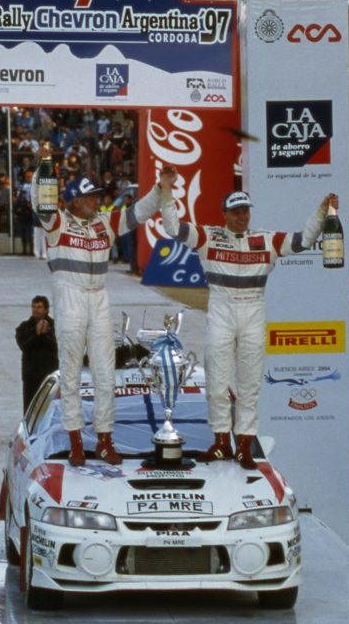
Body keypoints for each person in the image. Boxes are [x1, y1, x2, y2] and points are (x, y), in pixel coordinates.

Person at [164, 186, 333, 465]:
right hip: (221, 311)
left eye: (245, 211)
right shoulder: (208, 236)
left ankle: (244, 444)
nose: (242, 217)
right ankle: (221, 442)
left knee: (249, 383)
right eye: (236, 212)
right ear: (224, 214)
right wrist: (166, 194)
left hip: (253, 310)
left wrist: (321, 212)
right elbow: (172, 228)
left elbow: (304, 240)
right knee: (217, 381)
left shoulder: (267, 240)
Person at [42, 169, 172, 466]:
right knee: (71, 373)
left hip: (99, 297)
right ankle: (75, 442)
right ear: (74, 201)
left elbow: (139, 213)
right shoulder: (57, 223)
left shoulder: (104, 223)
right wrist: (45, 166)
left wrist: (159, 188)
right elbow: (42, 203)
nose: (97, 201)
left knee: (105, 373)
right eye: (90, 197)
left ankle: (104, 440)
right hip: (70, 297)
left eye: (97, 196)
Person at [15, 295, 59, 409]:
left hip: (50, 374)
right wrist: (36, 334)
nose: (35, 310)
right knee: (30, 407)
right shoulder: (24, 327)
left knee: (51, 406)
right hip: (31, 375)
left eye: (39, 307)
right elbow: (24, 346)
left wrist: (45, 334)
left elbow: (58, 346)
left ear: (46, 309)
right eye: (33, 306)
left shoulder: (56, 326)